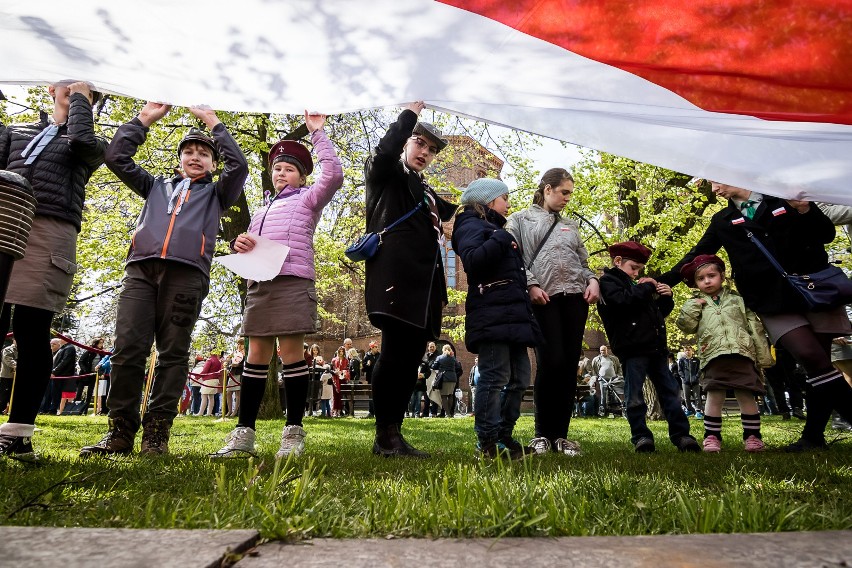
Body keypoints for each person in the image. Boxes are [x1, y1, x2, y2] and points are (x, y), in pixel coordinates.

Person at [80, 102, 248, 457]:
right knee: (127, 351)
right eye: (189, 151)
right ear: (179, 159)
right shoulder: (154, 186)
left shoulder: (217, 194)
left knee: (173, 354)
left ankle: (157, 434)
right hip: (141, 270)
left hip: (186, 275)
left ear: (213, 164)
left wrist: (213, 121)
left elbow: (241, 166)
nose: (196, 157)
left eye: (204, 153)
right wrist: (144, 119)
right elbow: (116, 157)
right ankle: (120, 432)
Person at [659, 182, 852, 452]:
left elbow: (825, 234)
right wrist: (660, 280)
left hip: (815, 290)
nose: (714, 189)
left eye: (717, 180)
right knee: (810, 357)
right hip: (770, 301)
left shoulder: (785, 199)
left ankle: (813, 437)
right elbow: (698, 254)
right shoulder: (722, 220)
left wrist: (805, 209)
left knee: (818, 367)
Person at [212, 111, 343, 459]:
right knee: (256, 354)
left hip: (293, 281)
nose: (280, 173)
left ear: (301, 177)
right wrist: (238, 244)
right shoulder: (260, 211)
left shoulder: (308, 199)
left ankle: (293, 432)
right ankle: (244, 433)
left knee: (291, 353)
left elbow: (333, 175)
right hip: (261, 284)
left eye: (288, 169)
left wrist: (317, 132)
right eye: (276, 169)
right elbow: (249, 244)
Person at [0, 81, 107, 459]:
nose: (74, 88)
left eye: (85, 88)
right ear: (49, 88)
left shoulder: (92, 142)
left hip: (50, 229)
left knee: (31, 330)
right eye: (68, 82)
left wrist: (80, 98)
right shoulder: (17, 131)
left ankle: (18, 432)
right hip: (5, 218)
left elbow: (80, 141)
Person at [364, 101, 456, 457]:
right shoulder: (386, 174)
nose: (425, 152)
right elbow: (384, 152)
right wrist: (408, 117)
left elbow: (453, 215)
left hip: (427, 286)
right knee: (394, 354)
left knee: (410, 359)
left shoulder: (426, 189)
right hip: (397, 278)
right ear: (406, 142)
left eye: (431, 150)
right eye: (419, 143)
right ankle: (384, 434)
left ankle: (395, 434)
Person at [505, 168, 598, 456]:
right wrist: (531, 285)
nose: (568, 198)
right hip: (543, 299)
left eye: (570, 192)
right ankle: (542, 434)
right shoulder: (520, 219)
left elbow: (583, 261)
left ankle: (561, 436)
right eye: (564, 192)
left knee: (569, 365)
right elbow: (513, 258)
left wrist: (593, 279)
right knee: (550, 361)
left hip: (575, 298)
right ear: (547, 189)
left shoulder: (571, 225)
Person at [452, 177, 542, 458]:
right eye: (504, 199)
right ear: (489, 200)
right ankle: (488, 442)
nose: (509, 204)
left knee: (519, 377)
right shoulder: (470, 224)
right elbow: (474, 261)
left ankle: (505, 436)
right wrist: (502, 238)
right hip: (491, 316)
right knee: (494, 378)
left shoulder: (492, 228)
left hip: (511, 315)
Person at [597, 241, 700, 453]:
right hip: (632, 349)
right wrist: (648, 285)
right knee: (634, 396)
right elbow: (623, 302)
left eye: (639, 270)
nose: (636, 273)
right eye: (633, 268)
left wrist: (665, 296)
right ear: (618, 262)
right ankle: (641, 436)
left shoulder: (640, 286)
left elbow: (657, 313)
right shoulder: (608, 282)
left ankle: (682, 435)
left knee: (670, 393)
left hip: (655, 348)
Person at [676, 255, 773, 452]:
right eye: (701, 279)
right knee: (714, 394)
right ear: (696, 283)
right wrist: (692, 307)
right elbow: (686, 326)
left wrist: (762, 355)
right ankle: (712, 437)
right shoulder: (696, 303)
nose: (707, 281)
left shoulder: (738, 299)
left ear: (722, 275)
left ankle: (752, 437)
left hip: (742, 352)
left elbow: (754, 326)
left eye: (711, 276)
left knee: (746, 394)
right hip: (713, 354)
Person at [76, 338, 104, 415]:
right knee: (79, 392)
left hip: (94, 375)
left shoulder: (102, 353)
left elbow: (102, 364)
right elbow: (81, 361)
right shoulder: (89, 351)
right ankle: (76, 409)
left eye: (102, 343)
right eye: (100, 343)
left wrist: (100, 373)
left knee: (90, 393)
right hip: (85, 374)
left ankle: (85, 411)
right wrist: (85, 370)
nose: (101, 345)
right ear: (96, 343)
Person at [430, 344, 458, 419]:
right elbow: (458, 366)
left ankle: (448, 414)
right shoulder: (453, 358)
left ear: (443, 350)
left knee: (444, 396)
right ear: (450, 350)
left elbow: (433, 366)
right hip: (453, 379)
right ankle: (449, 413)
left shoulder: (440, 357)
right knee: (451, 395)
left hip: (445, 378)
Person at [52, 337, 78, 416]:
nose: (60, 339)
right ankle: (54, 409)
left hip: (63, 375)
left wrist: (55, 371)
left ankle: (57, 409)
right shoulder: (63, 348)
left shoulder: (69, 348)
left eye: (61, 338)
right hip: (59, 374)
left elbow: (64, 361)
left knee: (59, 393)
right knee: (56, 393)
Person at [678, 346, 702, 418]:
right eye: (686, 350)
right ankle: (689, 410)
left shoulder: (696, 360)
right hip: (685, 382)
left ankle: (698, 411)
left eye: (689, 350)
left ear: (692, 351)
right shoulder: (682, 360)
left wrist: (696, 377)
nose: (687, 352)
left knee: (697, 396)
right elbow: (680, 370)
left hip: (695, 382)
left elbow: (699, 370)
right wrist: (683, 378)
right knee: (686, 397)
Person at [197, 352, 223, 417]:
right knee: (211, 397)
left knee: (204, 396)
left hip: (208, 380)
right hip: (215, 380)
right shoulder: (218, 361)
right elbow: (219, 372)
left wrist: (197, 377)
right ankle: (209, 413)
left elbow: (205, 370)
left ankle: (201, 412)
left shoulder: (209, 360)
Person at [362, 341, 379, 418]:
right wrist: (367, 365)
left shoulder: (380, 355)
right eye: (376, 347)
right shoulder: (367, 356)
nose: (377, 349)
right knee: (371, 396)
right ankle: (371, 412)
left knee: (378, 396)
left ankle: (378, 412)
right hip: (370, 379)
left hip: (379, 378)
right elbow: (363, 369)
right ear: (372, 348)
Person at [226, 342, 244, 417]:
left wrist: (237, 365)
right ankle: (229, 411)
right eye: (238, 344)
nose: (239, 345)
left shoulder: (245, 354)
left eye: (241, 344)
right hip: (232, 374)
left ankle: (235, 411)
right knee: (228, 392)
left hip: (239, 374)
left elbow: (244, 364)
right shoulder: (235, 353)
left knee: (237, 393)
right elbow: (230, 362)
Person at [331, 346, 349, 417]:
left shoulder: (346, 360)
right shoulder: (334, 360)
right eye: (340, 351)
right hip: (335, 379)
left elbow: (347, 369)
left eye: (342, 351)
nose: (341, 353)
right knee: (335, 395)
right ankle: (335, 410)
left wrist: (344, 372)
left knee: (341, 396)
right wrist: (335, 372)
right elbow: (331, 369)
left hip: (342, 379)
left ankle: (339, 410)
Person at [0, 340, 17, 415]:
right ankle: (1, 409)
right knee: (4, 394)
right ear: (14, 341)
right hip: (7, 376)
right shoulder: (8, 349)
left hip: (16, 376)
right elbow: (8, 360)